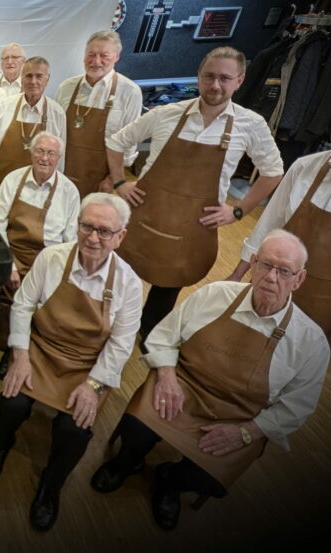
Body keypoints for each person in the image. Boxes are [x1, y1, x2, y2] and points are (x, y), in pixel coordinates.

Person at [91, 230, 329, 531]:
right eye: (266, 265)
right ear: (252, 263)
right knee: (134, 428)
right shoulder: (215, 295)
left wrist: (247, 432)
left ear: (299, 279)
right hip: (182, 385)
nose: (271, 277)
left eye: (284, 271)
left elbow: (298, 406)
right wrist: (165, 376)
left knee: (211, 482)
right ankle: (127, 462)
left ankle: (169, 482)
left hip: (239, 416)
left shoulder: (310, 341)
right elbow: (164, 336)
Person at [0, 192, 142, 531]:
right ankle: (2, 442)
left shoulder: (129, 283)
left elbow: (121, 345)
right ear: (77, 225)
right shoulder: (52, 258)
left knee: (74, 430)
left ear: (121, 236)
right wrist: (20, 356)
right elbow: (22, 306)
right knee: (11, 403)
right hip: (41, 348)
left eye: (104, 231)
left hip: (87, 365)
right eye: (87, 227)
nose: (93, 238)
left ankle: (51, 486)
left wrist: (93, 386)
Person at [106, 46, 284, 347]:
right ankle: (112, 329)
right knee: (124, 277)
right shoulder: (166, 114)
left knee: (168, 286)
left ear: (239, 80)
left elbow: (273, 171)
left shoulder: (250, 124)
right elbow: (116, 142)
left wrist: (238, 211)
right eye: (209, 76)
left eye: (225, 78)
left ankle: (150, 335)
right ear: (199, 77)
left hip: (191, 228)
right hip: (145, 216)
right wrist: (121, 181)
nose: (216, 85)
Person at [228, 78, 331, 348]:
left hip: (325, 304)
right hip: (270, 282)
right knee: (243, 345)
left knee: (290, 369)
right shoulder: (303, 168)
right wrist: (237, 275)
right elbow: (269, 225)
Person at [0, 132, 80, 374]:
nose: (44, 158)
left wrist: (47, 274)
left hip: (47, 261)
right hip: (10, 252)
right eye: (39, 151)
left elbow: (70, 242)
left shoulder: (69, 192)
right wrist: (8, 264)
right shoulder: (13, 179)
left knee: (38, 299)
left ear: (58, 157)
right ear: (31, 153)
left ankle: (14, 350)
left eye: (51, 153)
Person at [54, 30, 143, 198]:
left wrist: (112, 180)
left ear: (117, 57)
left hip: (103, 181)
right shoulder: (66, 88)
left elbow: (129, 143)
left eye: (104, 55)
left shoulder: (130, 92)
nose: (96, 61)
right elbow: (56, 133)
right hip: (64, 175)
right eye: (91, 54)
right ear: (84, 56)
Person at [0, 57, 67, 185]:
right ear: (21, 78)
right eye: (28, 76)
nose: (33, 81)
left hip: (38, 189)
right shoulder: (5, 106)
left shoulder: (57, 113)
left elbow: (59, 159)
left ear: (47, 80)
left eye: (39, 76)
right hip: (1, 183)